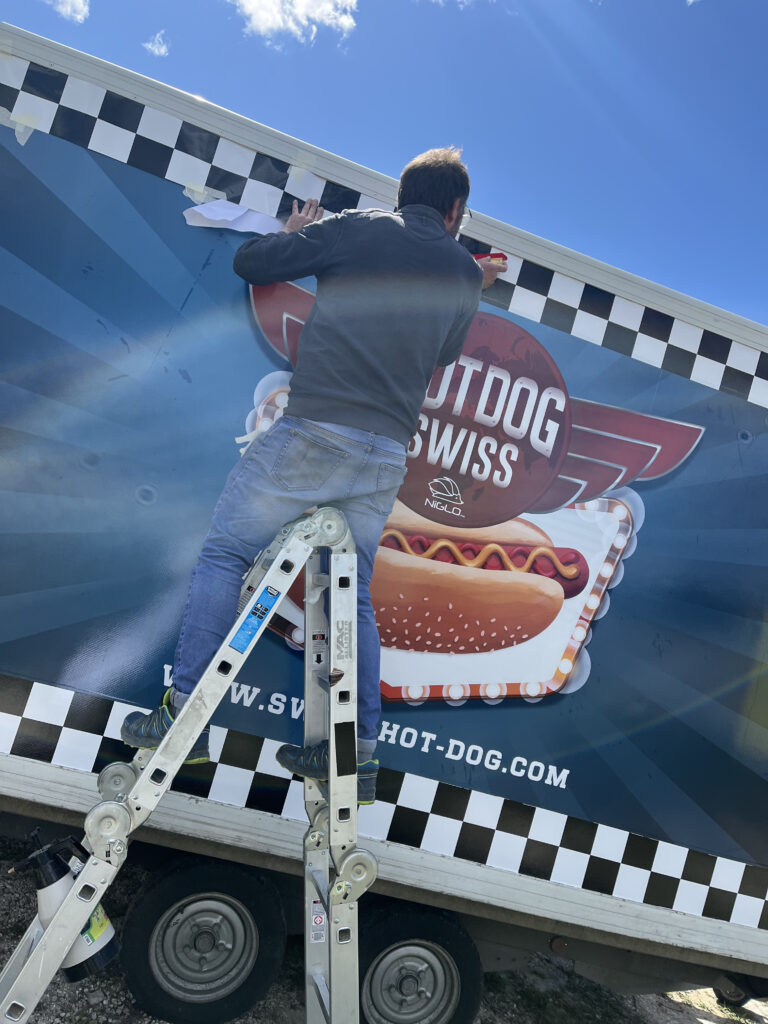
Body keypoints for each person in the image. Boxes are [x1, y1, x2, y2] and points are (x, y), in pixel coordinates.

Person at [121, 147, 507, 803]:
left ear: (404, 194)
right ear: (455, 211)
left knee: (226, 555)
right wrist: (467, 277)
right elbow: (444, 353)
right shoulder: (461, 272)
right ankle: (356, 756)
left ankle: (184, 719)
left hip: (314, 431)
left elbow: (252, 263)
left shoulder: (359, 228)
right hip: (383, 457)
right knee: (352, 596)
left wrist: (293, 233)